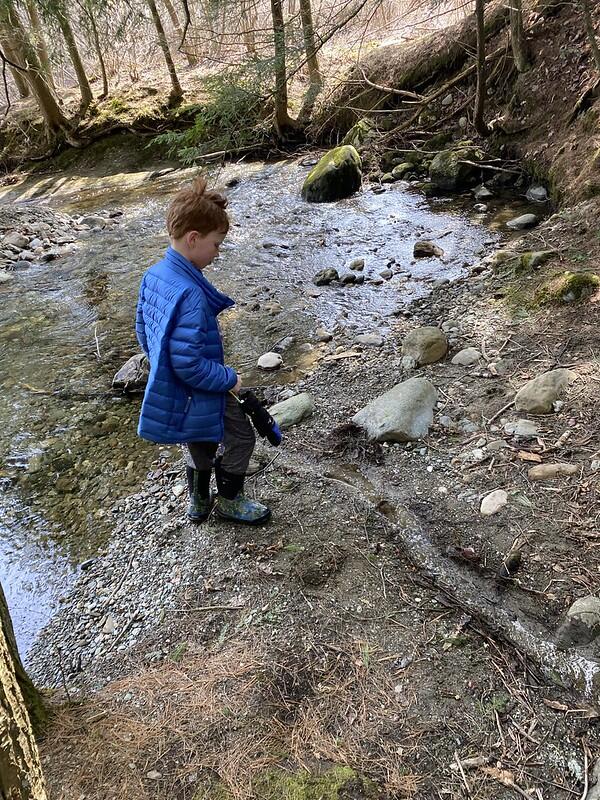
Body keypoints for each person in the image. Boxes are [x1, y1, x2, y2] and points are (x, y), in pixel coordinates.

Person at [135, 176, 271, 525]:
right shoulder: (191, 295)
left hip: (175, 385)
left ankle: (197, 500)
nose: (218, 252)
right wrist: (230, 379)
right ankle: (228, 500)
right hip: (202, 386)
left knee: (198, 440)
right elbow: (190, 364)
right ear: (193, 239)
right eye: (216, 244)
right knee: (240, 437)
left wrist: (161, 365)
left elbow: (143, 328)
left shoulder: (155, 274)